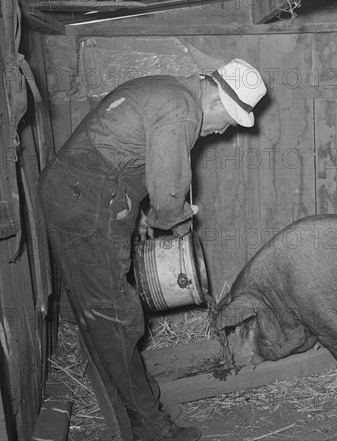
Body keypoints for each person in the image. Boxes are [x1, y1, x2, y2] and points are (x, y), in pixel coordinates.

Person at [38, 59, 267, 441]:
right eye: (226, 122)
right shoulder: (183, 111)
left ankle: (132, 405)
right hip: (85, 201)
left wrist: (138, 212)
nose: (219, 131)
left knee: (102, 312)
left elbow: (126, 157)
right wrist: (178, 218)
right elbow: (169, 195)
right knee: (118, 318)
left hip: (81, 193)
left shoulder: (170, 89)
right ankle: (149, 429)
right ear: (215, 101)